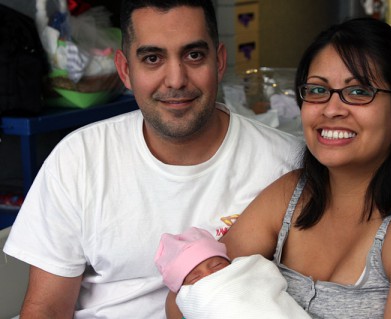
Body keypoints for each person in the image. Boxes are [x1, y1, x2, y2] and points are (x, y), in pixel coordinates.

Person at [3, 0, 302, 318]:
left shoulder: (286, 165)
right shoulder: (79, 159)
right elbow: (46, 309)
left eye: (194, 55)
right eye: (152, 58)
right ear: (125, 70)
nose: (175, 79)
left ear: (219, 61)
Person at [221, 17, 391, 319]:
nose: (331, 109)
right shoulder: (290, 194)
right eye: (317, 90)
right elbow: (196, 286)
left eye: (358, 92)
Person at [156, 227, 311, 319]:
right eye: (196, 277)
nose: (210, 275)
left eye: (217, 265)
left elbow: (268, 285)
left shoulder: (247, 270)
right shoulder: (187, 307)